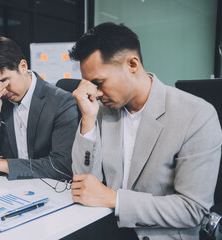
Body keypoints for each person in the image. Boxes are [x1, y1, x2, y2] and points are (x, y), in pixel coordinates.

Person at [69, 22, 222, 239]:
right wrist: (88, 119)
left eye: (99, 82)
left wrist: (114, 198)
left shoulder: (197, 115)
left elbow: (192, 210)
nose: (96, 93)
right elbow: (84, 186)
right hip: (104, 226)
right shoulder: (101, 111)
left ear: (132, 64)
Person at [0, 37, 78, 180]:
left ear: (23, 66)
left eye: (4, 81)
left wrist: (1, 164)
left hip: (50, 189)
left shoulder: (61, 101)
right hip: (10, 189)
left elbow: (62, 167)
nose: (3, 91)